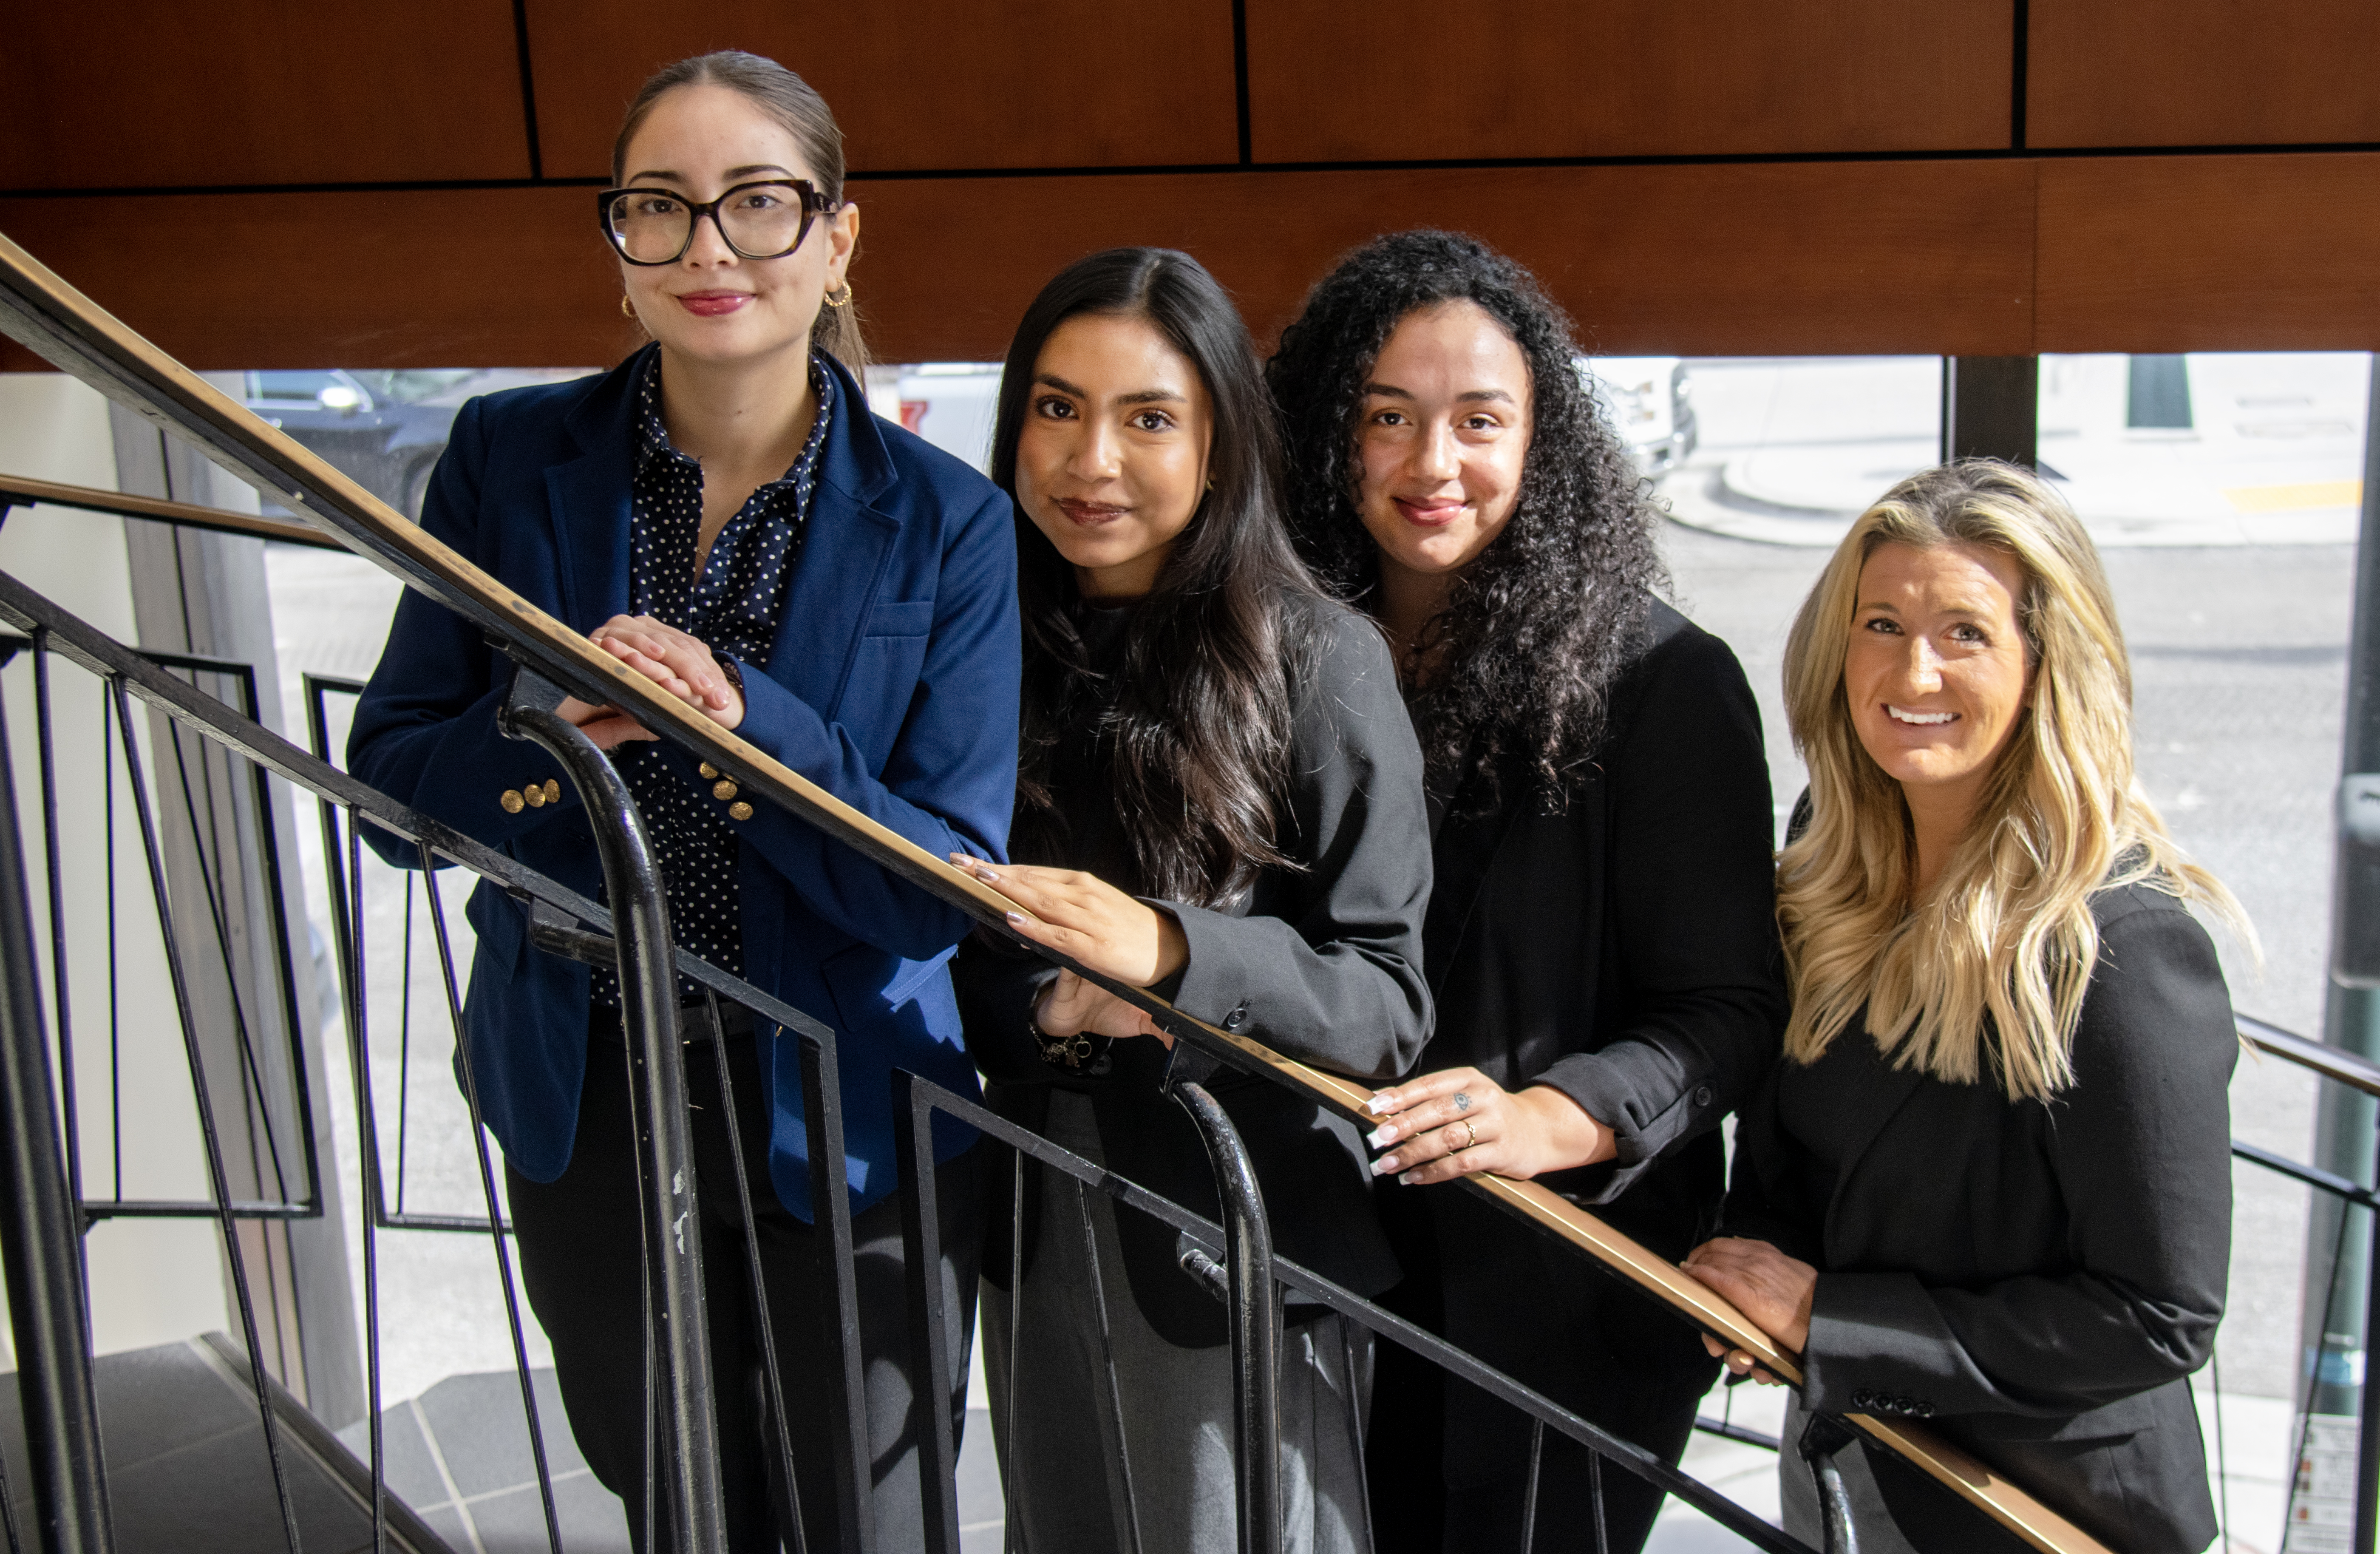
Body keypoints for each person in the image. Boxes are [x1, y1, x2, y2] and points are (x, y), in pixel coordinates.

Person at [346, 51, 1020, 1551]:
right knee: (672, 1496)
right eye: (662, 207)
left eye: (760, 204)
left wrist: (740, 725)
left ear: (839, 238)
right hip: (584, 1080)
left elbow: (947, 874)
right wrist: (552, 733)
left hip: (848, 1097)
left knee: (872, 1516)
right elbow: (393, 781)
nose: (710, 247)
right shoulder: (510, 461)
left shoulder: (951, 523)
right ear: (619, 239)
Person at [1266, 230, 1787, 1553]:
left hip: (1562, 1291)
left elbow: (1725, 1010)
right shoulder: (1271, 656)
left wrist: (1553, 1119)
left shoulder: (1662, 681)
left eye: (1479, 421)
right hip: (1324, 1261)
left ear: (1542, 440)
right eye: (1387, 418)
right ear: (1329, 433)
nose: (1434, 466)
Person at [948, 246, 1433, 1554]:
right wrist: (1049, 998)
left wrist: (1171, 952)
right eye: (1056, 409)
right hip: (1039, 1207)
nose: (1090, 460)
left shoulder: (1318, 656)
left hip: (1243, 1231)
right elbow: (929, 926)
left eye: (1147, 418)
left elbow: (1387, 1001)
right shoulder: (982, 633)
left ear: (1220, 443)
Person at [1681, 461, 2245, 1554]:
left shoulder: (2120, 945)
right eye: (1881, 623)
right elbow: (1802, 1148)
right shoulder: (1830, 855)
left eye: (1966, 634)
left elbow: (2157, 1313)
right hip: (1850, 1449)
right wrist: (1755, 1271)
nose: (1913, 668)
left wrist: (1833, 1319)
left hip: (2034, 1510)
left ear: (2044, 667)